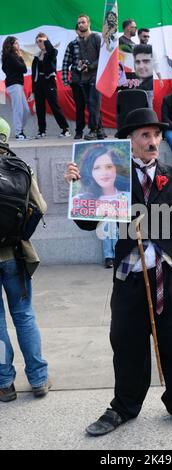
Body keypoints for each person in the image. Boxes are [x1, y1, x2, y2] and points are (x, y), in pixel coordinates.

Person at [65, 107, 172, 437]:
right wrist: (77, 186)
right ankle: (123, 406)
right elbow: (86, 222)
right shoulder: (113, 175)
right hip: (129, 277)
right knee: (126, 343)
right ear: (130, 140)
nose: (153, 141)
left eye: (156, 135)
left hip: (168, 274)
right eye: (145, 135)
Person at [0, 117, 50, 403]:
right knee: (25, 317)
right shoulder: (22, 168)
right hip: (16, 257)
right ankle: (39, 379)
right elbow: (40, 206)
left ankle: (5, 383)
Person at [71, 144, 130, 223]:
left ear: (116, 168)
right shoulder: (78, 200)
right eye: (97, 168)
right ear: (90, 172)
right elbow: (84, 226)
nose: (104, 173)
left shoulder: (129, 197)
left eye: (109, 167)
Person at [32, 32, 70, 139]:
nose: (40, 43)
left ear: (47, 41)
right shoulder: (37, 56)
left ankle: (65, 129)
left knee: (54, 105)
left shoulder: (52, 52)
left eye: (42, 41)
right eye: (38, 41)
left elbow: (52, 52)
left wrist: (46, 41)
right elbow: (34, 74)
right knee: (40, 107)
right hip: (39, 83)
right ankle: (41, 131)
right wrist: (33, 90)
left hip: (49, 81)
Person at [76, 14, 106, 141]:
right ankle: (100, 130)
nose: (81, 24)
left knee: (94, 103)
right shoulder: (80, 41)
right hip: (85, 77)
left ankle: (93, 130)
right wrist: (81, 65)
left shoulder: (96, 37)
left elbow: (103, 57)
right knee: (91, 104)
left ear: (88, 23)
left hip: (96, 76)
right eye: (79, 23)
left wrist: (91, 66)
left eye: (83, 22)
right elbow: (82, 58)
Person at [1, 36, 30, 140]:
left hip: (18, 84)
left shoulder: (11, 56)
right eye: (16, 43)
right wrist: (21, 57)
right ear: (11, 45)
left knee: (26, 110)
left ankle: (20, 130)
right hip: (14, 85)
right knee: (18, 109)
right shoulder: (10, 57)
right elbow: (23, 69)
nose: (18, 45)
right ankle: (19, 133)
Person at [62, 25, 87, 140]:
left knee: (94, 106)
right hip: (77, 80)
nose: (81, 31)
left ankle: (97, 129)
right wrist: (66, 80)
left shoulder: (92, 42)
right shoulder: (72, 45)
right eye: (79, 29)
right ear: (77, 31)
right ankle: (79, 131)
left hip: (90, 80)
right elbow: (66, 63)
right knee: (79, 107)